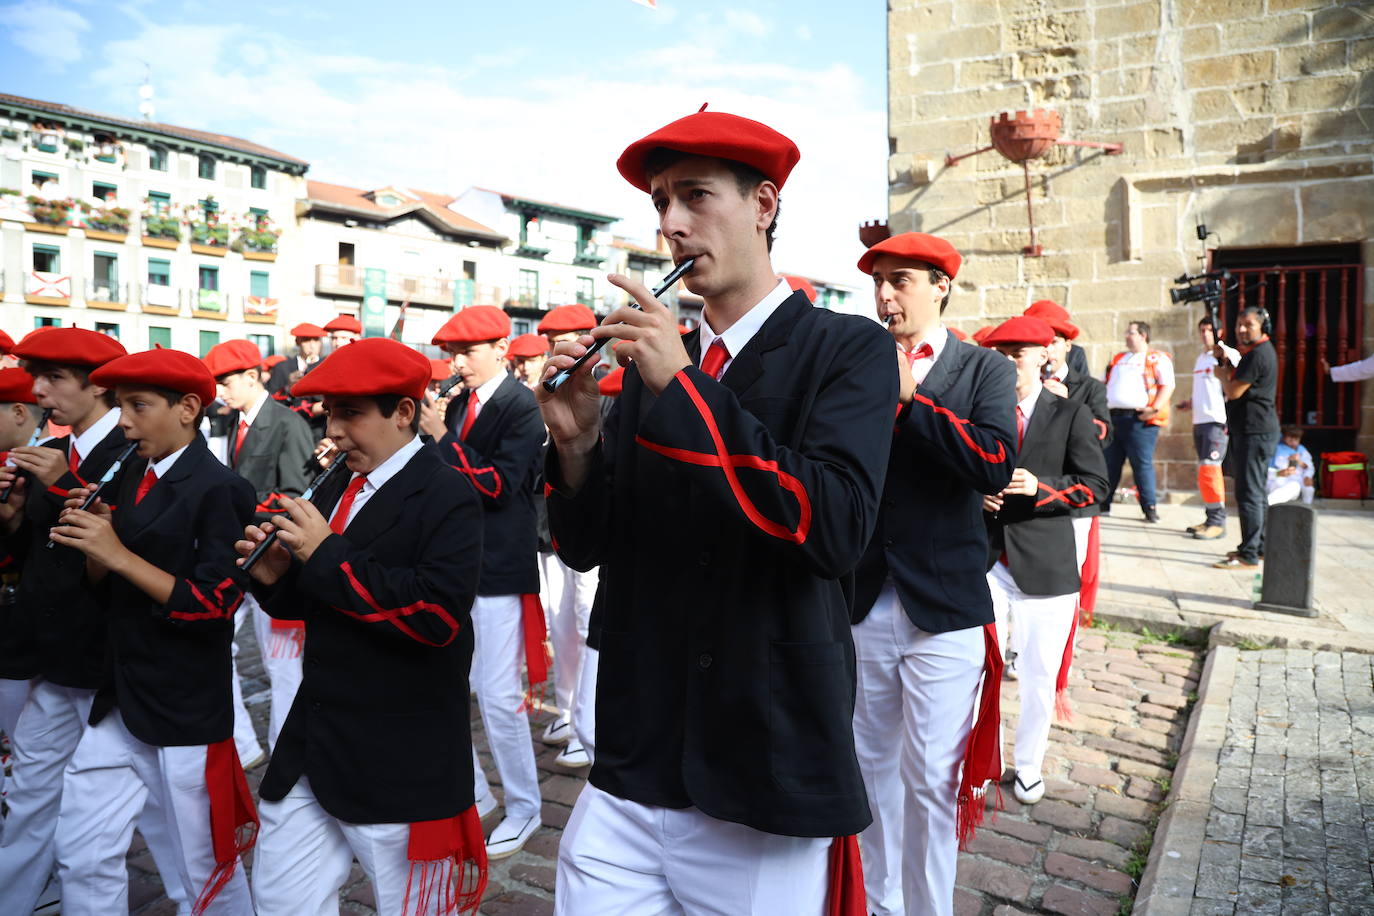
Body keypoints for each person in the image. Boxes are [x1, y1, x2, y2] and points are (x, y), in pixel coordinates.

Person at [540, 107, 892, 916]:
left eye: (695, 196)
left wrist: (682, 387)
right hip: (634, 756)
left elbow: (832, 527)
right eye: (661, 202)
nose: (670, 224)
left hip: (762, 760)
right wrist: (579, 444)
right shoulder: (656, 367)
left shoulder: (848, 348)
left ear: (764, 204)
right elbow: (589, 546)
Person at [234, 337, 487, 916]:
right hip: (316, 741)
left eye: (350, 413)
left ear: (402, 413)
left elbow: (435, 617)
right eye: (329, 412)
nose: (335, 428)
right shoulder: (339, 484)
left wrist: (322, 553)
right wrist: (276, 577)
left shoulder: (447, 492)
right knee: (278, 899)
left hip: (398, 754)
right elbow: (321, 603)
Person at [49, 346, 256, 915]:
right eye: (119, 406)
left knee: (204, 866)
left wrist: (114, 553)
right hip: (120, 693)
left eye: (138, 406)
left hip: (184, 702)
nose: (124, 421)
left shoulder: (222, 489)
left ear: (188, 407)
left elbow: (214, 605)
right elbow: (104, 584)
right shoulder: (132, 470)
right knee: (81, 849)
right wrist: (92, 543)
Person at [851, 232, 1017, 916]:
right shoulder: (856, 362)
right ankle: (878, 903)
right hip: (863, 599)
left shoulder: (983, 369)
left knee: (930, 780)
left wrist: (912, 402)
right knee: (869, 772)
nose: (886, 295)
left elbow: (994, 463)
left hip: (944, 602)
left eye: (902, 280)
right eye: (879, 281)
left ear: (941, 285)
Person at [0, 329, 130, 916]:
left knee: (112, 819)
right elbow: (38, 552)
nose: (38, 391)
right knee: (29, 792)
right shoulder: (65, 448)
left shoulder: (130, 446)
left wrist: (60, 485)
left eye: (53, 378)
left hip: (108, 664)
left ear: (96, 383)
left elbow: (132, 541)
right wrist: (12, 517)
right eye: (36, 377)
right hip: (54, 657)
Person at [421, 305, 547, 859]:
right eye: (452, 353)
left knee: (498, 696)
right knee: (450, 684)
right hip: (457, 565)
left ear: (501, 348)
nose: (456, 363)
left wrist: (439, 438)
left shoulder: (522, 406)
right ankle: (473, 790)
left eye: (466, 352)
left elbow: (498, 485)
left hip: (497, 569)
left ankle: (525, 807)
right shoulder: (464, 402)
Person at [981, 316, 1107, 807]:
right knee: (979, 669)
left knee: (1037, 675)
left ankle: (1029, 764)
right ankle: (983, 760)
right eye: (1002, 352)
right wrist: (976, 497)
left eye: (1020, 352)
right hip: (987, 558)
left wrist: (1042, 491)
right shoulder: (979, 411)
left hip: (1047, 564)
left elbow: (1095, 486)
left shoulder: (1070, 413)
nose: (1010, 361)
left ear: (1043, 357)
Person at [204, 339, 316, 754]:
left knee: (281, 663)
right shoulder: (233, 421)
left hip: (274, 557)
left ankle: (286, 748)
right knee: (218, 645)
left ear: (252, 377)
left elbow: (297, 495)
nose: (221, 392)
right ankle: (244, 744)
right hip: (238, 557)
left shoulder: (287, 422)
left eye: (227, 382)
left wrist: (236, 509)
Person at [533, 303, 601, 769]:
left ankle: (587, 723)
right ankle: (568, 707)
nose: (562, 345)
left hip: (592, 525)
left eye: (573, 334)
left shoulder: (607, 384)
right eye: (554, 337)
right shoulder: (541, 386)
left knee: (585, 621)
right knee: (559, 625)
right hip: (551, 526)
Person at [1212, 307, 1280, 569]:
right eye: (1239, 324)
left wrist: (1220, 375)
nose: (1241, 329)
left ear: (1262, 326)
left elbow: (1234, 390)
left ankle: (1249, 554)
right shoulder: (1259, 352)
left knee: (1249, 493)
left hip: (1255, 431)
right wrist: (1227, 364)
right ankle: (1258, 546)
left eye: (1248, 324)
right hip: (1257, 430)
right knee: (1256, 492)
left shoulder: (1258, 355)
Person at [1102, 321, 1174, 522]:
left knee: (1141, 464)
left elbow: (1167, 384)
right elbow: (1104, 382)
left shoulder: (1156, 358)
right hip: (1114, 417)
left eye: (1130, 332)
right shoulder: (1118, 358)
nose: (1126, 335)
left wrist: (1154, 408)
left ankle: (1149, 507)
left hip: (1139, 419)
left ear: (1143, 335)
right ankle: (1103, 504)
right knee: (1110, 462)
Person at [1176, 317, 1239, 540]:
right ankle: (1210, 517)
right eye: (1202, 330)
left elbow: (1237, 368)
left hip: (1216, 421)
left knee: (1211, 470)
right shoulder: (1201, 358)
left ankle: (1218, 522)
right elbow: (1203, 389)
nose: (1205, 334)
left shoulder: (1225, 353)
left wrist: (1222, 352)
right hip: (1199, 421)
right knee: (1205, 472)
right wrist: (1190, 403)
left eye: (1209, 330)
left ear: (1219, 331)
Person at [267, 323, 325, 395]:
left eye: (316, 340)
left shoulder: (327, 366)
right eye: (306, 340)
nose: (312, 346)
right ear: (297, 342)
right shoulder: (282, 367)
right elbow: (271, 397)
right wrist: (288, 387)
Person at [1266, 424, 1315, 506]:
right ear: (1284, 437)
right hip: (1280, 477)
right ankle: (1269, 504)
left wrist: (1308, 476)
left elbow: (1309, 466)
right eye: (1290, 438)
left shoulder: (1302, 449)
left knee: (1309, 488)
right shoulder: (1278, 449)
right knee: (1280, 484)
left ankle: (1307, 507)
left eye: (1296, 439)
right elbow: (1275, 466)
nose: (1293, 441)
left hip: (1298, 478)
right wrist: (1283, 468)